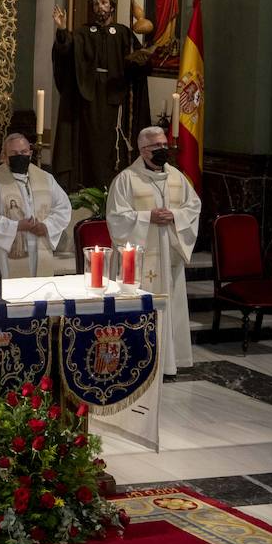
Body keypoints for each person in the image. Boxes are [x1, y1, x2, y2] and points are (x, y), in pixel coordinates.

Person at [106, 126, 202, 376]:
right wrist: (148, 217)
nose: (163, 149)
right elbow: (116, 218)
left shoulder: (177, 177)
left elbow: (194, 208)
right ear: (143, 150)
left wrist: (176, 216)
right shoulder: (126, 179)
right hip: (140, 261)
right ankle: (141, 361)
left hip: (169, 255)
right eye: (156, 146)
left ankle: (170, 362)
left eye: (164, 144)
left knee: (171, 308)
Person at [50, 0, 151, 191]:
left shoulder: (123, 33)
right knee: (90, 141)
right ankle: (85, 184)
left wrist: (139, 60)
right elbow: (66, 52)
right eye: (96, 4)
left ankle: (113, 184)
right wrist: (62, 30)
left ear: (112, 7)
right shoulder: (83, 33)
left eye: (104, 3)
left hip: (114, 94)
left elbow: (140, 63)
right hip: (89, 96)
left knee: (110, 142)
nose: (99, 7)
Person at [0, 133, 72, 279]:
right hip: (4, 253)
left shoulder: (46, 179)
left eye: (24, 152)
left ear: (30, 153)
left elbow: (63, 207)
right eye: (14, 153)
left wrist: (46, 226)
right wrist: (15, 226)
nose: (20, 156)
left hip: (38, 250)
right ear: (4, 156)